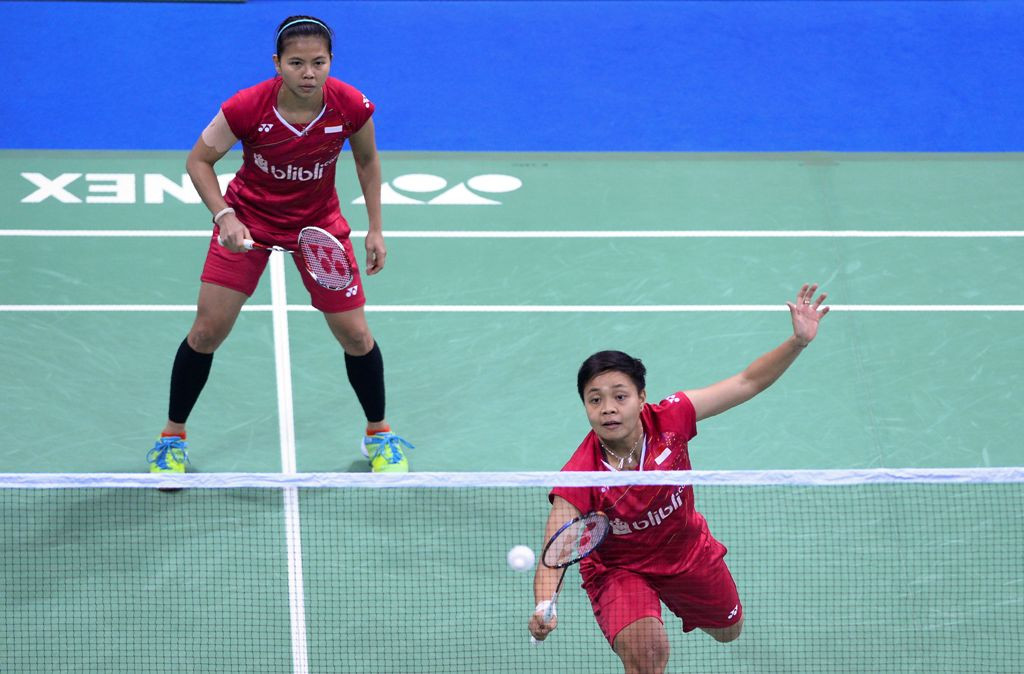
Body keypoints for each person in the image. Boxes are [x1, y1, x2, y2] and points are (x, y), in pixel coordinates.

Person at [147, 15, 413, 475]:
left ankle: (380, 434)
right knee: (208, 331)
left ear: (331, 62)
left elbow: (367, 161)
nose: (309, 73)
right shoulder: (246, 107)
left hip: (319, 224)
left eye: (318, 62)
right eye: (296, 63)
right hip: (248, 221)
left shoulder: (350, 105)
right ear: (277, 64)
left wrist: (375, 227)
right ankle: (171, 439)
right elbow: (198, 161)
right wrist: (223, 215)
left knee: (355, 335)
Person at [528, 284, 830, 673]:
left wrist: (797, 342)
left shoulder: (671, 419)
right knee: (649, 655)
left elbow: (746, 382)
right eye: (595, 399)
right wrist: (542, 605)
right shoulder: (580, 473)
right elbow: (556, 551)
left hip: (686, 552)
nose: (608, 408)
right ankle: (639, 613)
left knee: (729, 631)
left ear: (641, 397)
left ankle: (676, 601)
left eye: (620, 396)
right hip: (620, 571)